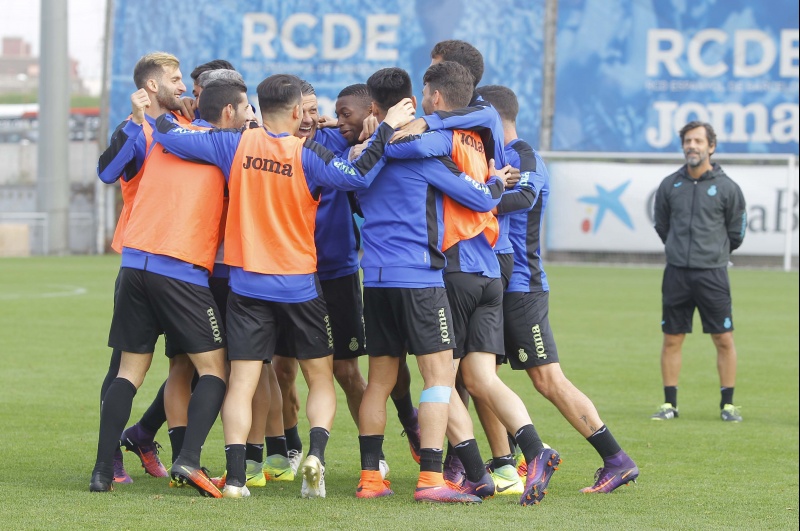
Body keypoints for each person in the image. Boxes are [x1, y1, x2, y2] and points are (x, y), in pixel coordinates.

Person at [152, 73, 415, 498]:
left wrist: (169, 108)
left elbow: (169, 135)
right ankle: (316, 456)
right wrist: (385, 128)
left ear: (258, 108)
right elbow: (357, 175)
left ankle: (236, 478)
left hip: (246, 287)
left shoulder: (234, 143)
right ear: (296, 111)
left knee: (243, 382)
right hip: (300, 287)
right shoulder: (307, 152)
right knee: (321, 378)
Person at [384, 61, 560, 506]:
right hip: (490, 269)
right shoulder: (486, 134)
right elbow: (483, 119)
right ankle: (534, 451)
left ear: (435, 97)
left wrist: (386, 130)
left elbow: (396, 149)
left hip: (455, 267)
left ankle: (465, 471)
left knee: (438, 378)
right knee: (480, 377)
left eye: (425, 93)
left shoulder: (440, 140)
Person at [353, 67, 509, 504]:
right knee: (439, 379)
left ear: (374, 108)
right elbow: (481, 198)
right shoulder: (426, 151)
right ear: (411, 103)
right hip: (419, 276)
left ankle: (371, 479)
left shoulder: (365, 152)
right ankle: (431, 479)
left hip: (375, 278)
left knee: (379, 382)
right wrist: (497, 179)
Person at [476, 84, 640, 493]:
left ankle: (616, 459)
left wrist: (471, 197)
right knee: (481, 376)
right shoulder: (494, 156)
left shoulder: (523, 156)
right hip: (497, 281)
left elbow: (521, 199)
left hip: (523, 285)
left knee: (547, 379)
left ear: (492, 115)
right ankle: (506, 465)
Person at [90, 53, 230, 498]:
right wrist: (135, 122)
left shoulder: (178, 127)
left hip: (146, 260)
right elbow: (106, 172)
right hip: (169, 260)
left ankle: (121, 454)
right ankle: (125, 460)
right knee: (138, 368)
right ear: (152, 86)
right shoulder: (146, 130)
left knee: (158, 367)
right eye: (176, 79)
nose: (183, 87)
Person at [652, 121, 747, 423]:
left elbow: (737, 232)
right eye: (687, 141)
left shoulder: (728, 188)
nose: (692, 146)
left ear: (711, 146)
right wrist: (679, 249)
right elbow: (662, 225)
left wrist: (713, 253)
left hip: (712, 275)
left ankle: (728, 405)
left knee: (723, 339)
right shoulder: (670, 185)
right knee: (672, 339)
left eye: (698, 141)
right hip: (676, 273)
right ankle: (669, 404)